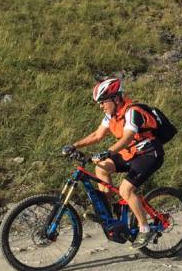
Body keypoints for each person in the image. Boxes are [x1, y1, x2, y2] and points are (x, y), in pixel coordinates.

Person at [64, 77, 166, 249]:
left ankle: (145, 228)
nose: (101, 105)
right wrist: (75, 145)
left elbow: (127, 138)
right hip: (131, 154)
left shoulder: (132, 112)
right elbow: (97, 135)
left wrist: (108, 152)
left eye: (103, 101)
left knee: (125, 189)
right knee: (101, 168)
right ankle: (108, 212)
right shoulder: (110, 115)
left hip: (149, 154)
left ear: (116, 98)